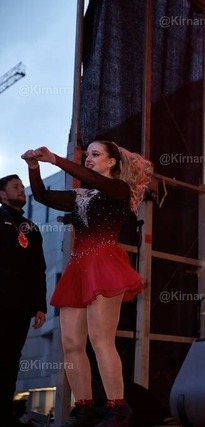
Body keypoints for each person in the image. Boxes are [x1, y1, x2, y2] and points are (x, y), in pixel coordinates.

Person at [22, 141, 152, 427]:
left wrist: (55, 159)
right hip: (79, 265)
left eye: (95, 155)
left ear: (112, 162)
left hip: (103, 262)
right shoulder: (81, 195)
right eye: (87, 155)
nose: (89, 159)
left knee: (101, 339)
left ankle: (118, 408)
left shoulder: (118, 189)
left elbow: (93, 179)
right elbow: (41, 195)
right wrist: (34, 168)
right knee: (71, 344)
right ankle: (84, 409)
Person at [0, 175, 47, 427]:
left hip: (20, 306)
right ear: (2, 194)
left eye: (22, 186)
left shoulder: (31, 228)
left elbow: (38, 269)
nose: (21, 189)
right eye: (15, 187)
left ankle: (5, 413)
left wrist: (40, 305)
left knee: (11, 359)